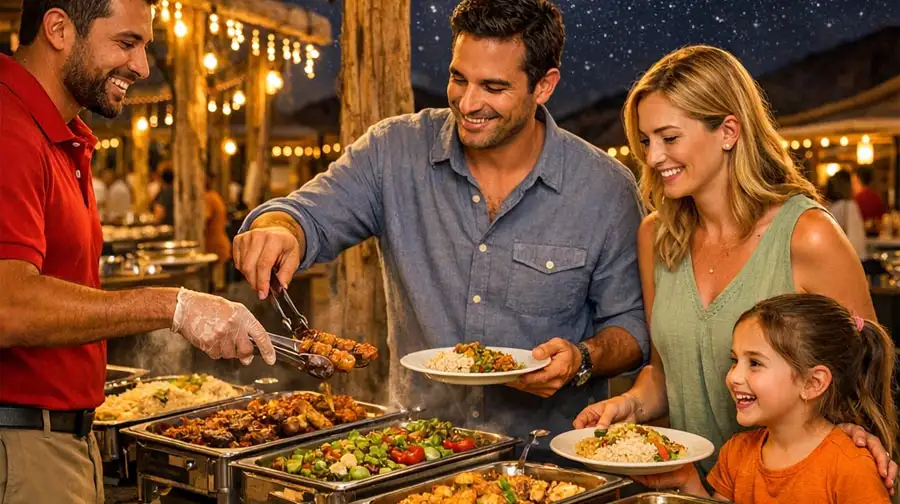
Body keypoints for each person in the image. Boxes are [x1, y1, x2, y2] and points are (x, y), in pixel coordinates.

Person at [234, 0, 648, 449]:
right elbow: (307, 214)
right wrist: (279, 228)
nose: (468, 103)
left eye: (493, 86)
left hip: (547, 463)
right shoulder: (393, 152)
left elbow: (631, 328)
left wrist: (583, 358)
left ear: (544, 86)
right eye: (458, 78)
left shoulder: (604, 188)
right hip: (416, 455)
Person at [573, 45, 897, 492]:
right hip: (689, 490)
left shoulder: (807, 236)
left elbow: (862, 377)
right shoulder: (656, 237)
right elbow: (666, 373)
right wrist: (630, 405)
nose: (652, 158)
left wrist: (861, 434)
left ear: (728, 131)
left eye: (669, 138)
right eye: (646, 141)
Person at [0, 2, 275, 503]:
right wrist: (174, 306)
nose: (143, 68)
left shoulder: (61, 132)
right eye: (126, 43)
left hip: (60, 439)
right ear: (59, 29)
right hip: (21, 445)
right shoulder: (6, 124)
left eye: (145, 47)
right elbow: (7, 305)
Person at [636, 293, 897, 503]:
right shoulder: (736, 453)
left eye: (755, 363)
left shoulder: (852, 468)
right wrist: (688, 482)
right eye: (734, 360)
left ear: (812, 383)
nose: (733, 377)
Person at [825, 170, 867, 259]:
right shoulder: (849, 205)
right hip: (852, 258)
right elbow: (857, 239)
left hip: (837, 257)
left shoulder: (830, 207)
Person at [205, 172, 232, 292]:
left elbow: (206, 217)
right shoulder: (215, 195)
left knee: (217, 289)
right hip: (220, 242)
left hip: (214, 245)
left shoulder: (208, 198)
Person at [854, 166, 888, 236]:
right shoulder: (877, 197)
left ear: (858, 179)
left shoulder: (857, 199)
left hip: (862, 236)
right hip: (877, 236)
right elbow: (882, 218)